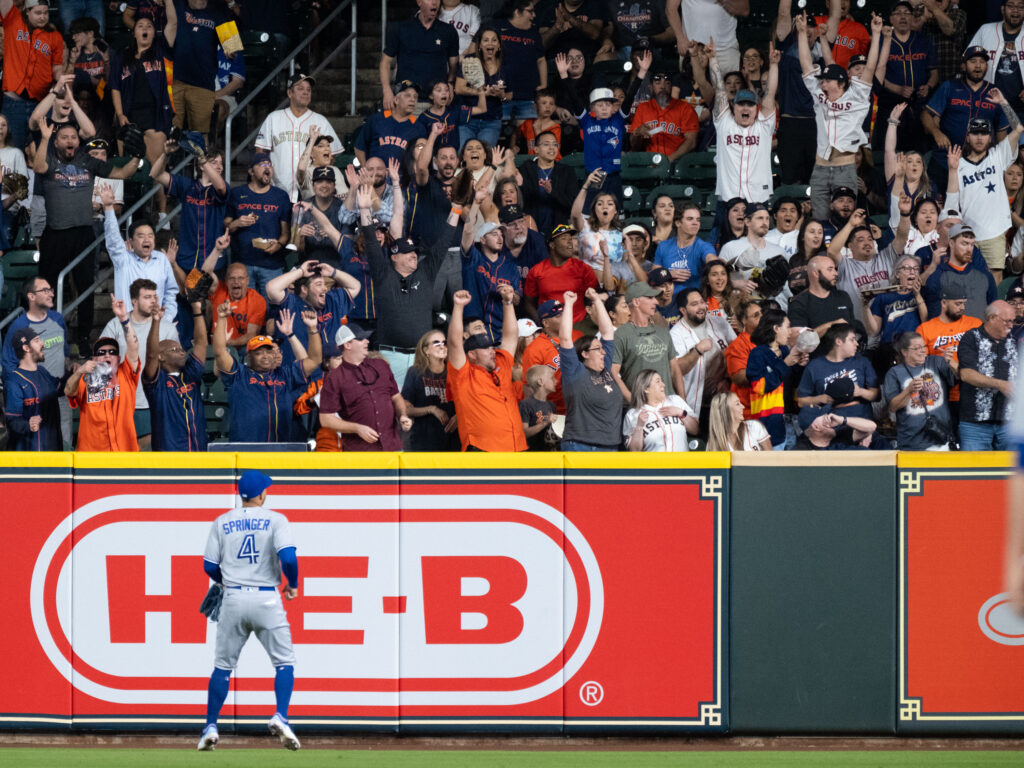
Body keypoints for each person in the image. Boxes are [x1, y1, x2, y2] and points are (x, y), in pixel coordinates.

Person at [199, 470, 300, 752]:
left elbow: (209, 566)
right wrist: (292, 584)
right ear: (260, 494)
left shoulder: (222, 521)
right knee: (284, 663)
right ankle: (281, 715)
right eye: (266, 488)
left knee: (222, 667)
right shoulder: (276, 519)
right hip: (267, 597)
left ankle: (210, 726)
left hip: (233, 597)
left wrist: (225, 581)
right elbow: (288, 558)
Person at [34, 119, 140, 349]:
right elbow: (38, 167)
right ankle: (44, 334)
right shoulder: (50, 158)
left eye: (73, 137)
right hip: (55, 234)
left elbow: (123, 173)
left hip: (83, 233)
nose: (70, 140)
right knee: (45, 287)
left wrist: (137, 157)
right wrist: (44, 138)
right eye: (64, 137)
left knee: (85, 288)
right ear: (56, 141)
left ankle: (83, 338)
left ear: (79, 141)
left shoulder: (87, 161)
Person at [361, 185, 458, 388]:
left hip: (422, 357)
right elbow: (371, 242)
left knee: (425, 403)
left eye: (415, 251)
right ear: (394, 257)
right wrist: (364, 210)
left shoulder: (425, 272)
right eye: (408, 252)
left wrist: (456, 209)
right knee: (393, 407)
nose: (414, 255)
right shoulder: (383, 273)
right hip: (389, 355)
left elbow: (444, 242)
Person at [796, 11, 883, 219]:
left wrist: (877, 34)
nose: (823, 84)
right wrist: (801, 33)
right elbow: (807, 65)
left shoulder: (858, 95)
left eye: (828, 81)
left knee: (845, 220)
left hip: (845, 167)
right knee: (819, 219)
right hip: (820, 167)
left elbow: (870, 67)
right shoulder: (820, 96)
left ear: (842, 83)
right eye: (822, 81)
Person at [214, 306, 321, 443]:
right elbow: (219, 352)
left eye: (269, 352)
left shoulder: (285, 375)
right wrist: (222, 318)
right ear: (249, 357)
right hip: (246, 450)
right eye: (258, 353)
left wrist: (312, 328)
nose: (265, 356)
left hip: (279, 450)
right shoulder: (238, 375)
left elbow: (314, 359)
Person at [99, 278, 179, 449]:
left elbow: (175, 370)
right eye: (147, 297)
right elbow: (101, 363)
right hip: (122, 403)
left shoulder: (167, 329)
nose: (153, 301)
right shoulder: (115, 325)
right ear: (134, 301)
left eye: (154, 297)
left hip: (155, 403)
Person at [447, 285, 527, 451]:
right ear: (472, 354)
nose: (492, 351)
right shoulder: (463, 374)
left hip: (517, 447)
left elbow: (511, 336)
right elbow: (454, 342)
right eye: (485, 348)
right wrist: (458, 306)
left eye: (491, 347)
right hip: (483, 449)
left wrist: (508, 302)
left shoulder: (501, 363)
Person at [956, 98, 1024, 282]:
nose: (979, 137)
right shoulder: (957, 164)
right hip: (968, 234)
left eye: (984, 133)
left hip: (994, 234)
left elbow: (1018, 128)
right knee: (968, 280)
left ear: (990, 137)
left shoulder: (998, 155)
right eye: (975, 133)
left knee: (995, 277)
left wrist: (1003, 102)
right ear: (968, 136)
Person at [922, 45, 1008, 193]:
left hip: (980, 165)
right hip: (945, 160)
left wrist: (1001, 163)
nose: (978, 66)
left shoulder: (994, 92)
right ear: (963, 65)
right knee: (937, 206)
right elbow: (925, 114)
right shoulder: (949, 87)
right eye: (973, 61)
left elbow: (1002, 132)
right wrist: (936, 132)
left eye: (982, 62)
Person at [1, 276, 72, 445]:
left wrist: (70, 366)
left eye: (51, 290)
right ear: (31, 296)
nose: (51, 294)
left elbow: (64, 353)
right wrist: (24, 397)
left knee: (63, 444)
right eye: (45, 290)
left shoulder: (58, 319)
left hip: (59, 393)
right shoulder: (18, 327)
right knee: (36, 448)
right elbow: (8, 366)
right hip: (33, 400)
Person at [64, 296, 141, 452]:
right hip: (92, 454)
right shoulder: (84, 378)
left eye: (112, 352)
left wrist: (124, 320)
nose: (107, 355)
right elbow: (68, 391)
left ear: (118, 358)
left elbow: (133, 346)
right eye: (102, 352)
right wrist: (79, 371)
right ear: (94, 358)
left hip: (124, 451)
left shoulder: (125, 372)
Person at [709, 38, 779, 207]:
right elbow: (719, 89)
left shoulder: (763, 125)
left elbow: (770, 95)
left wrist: (774, 65)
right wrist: (713, 60)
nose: (745, 108)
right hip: (728, 199)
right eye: (741, 104)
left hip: (758, 199)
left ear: (756, 108)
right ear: (734, 106)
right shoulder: (724, 123)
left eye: (750, 104)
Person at [318, 324, 411, 451]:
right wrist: (357, 428)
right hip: (360, 452)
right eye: (361, 339)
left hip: (391, 447)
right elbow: (326, 419)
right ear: (347, 345)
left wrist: (402, 415)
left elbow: (396, 396)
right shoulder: (334, 378)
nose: (367, 341)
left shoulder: (381, 365)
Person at [109, 14, 173, 190]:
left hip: (155, 116)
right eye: (140, 26)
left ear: (154, 33)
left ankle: (161, 212)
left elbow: (173, 23)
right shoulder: (122, 57)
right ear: (134, 33)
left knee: (157, 168)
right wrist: (120, 113)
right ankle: (130, 209)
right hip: (129, 116)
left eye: (149, 27)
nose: (145, 29)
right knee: (127, 169)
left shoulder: (162, 52)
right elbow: (115, 87)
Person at [255, 73, 341, 202]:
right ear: (289, 93)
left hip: (311, 193)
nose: (306, 92)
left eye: (308, 90)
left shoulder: (320, 121)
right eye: (300, 88)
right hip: (277, 189)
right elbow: (260, 151)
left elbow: (332, 155)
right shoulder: (274, 118)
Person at [827, 197, 912, 326]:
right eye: (860, 240)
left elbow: (902, 237)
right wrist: (850, 224)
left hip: (889, 330)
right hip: (860, 332)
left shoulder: (885, 257)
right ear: (849, 245)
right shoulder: (845, 265)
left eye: (869, 239)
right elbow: (832, 251)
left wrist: (905, 214)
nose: (867, 243)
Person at [100, 184, 178, 319]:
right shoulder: (123, 260)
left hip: (156, 325)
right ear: (130, 241)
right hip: (129, 325)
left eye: (150, 236)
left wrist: (167, 318)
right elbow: (113, 240)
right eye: (141, 236)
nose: (146, 240)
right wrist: (108, 208)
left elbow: (170, 292)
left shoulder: (161, 259)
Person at [265, 259, 361, 366]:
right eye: (319, 284)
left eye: (324, 284)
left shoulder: (331, 300)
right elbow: (271, 288)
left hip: (330, 371)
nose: (324, 288)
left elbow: (356, 286)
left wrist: (333, 272)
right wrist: (301, 271)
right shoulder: (291, 303)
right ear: (304, 289)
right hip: (300, 372)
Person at [558, 288, 621, 451]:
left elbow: (607, 331)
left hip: (610, 445)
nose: (604, 352)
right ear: (585, 354)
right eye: (598, 349)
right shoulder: (574, 371)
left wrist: (597, 300)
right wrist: (569, 304)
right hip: (581, 445)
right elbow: (565, 338)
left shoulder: (604, 366)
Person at [143, 300, 208, 452]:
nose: (181, 352)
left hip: (199, 452)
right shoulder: (157, 383)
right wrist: (156, 322)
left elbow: (201, 343)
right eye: (174, 349)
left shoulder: (191, 373)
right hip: (170, 456)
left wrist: (197, 309)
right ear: (161, 357)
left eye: (181, 349)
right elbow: (151, 354)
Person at [163, 0, 234, 139]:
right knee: (170, 132)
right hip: (175, 81)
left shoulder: (219, 11)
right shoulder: (178, 5)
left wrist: (230, 46)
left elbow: (233, 47)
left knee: (201, 137)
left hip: (203, 84)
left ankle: (203, 160)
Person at [0, 0, 65, 151]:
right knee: (12, 150)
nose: (42, 17)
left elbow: (56, 68)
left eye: (46, 13)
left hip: (40, 104)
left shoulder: (55, 36)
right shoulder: (13, 21)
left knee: (45, 151)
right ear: (27, 11)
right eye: (38, 13)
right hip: (13, 103)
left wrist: (61, 80)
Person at [225, 153, 291, 298]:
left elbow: (286, 233)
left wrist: (279, 245)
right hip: (242, 265)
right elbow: (226, 227)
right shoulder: (237, 193)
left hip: (272, 265)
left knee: (271, 311)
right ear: (251, 171)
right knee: (243, 310)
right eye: (262, 165)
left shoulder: (281, 196)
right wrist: (238, 222)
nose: (267, 168)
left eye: (269, 165)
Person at [670, 287, 737, 426]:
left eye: (702, 302)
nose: (701, 307)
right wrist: (697, 351)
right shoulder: (676, 334)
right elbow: (677, 369)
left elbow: (737, 349)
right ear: (683, 310)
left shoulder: (719, 322)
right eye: (694, 304)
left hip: (727, 392)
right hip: (701, 401)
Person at [958, 300, 1018, 450]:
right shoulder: (971, 338)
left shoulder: (1015, 341)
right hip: (975, 423)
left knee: (1014, 471)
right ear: (991, 318)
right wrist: (1000, 384)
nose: (1011, 325)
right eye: (1007, 321)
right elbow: (966, 374)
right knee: (974, 471)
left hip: (1010, 422)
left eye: (1013, 321)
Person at [746, 308, 809, 448]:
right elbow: (759, 387)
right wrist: (786, 363)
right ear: (776, 328)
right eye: (787, 327)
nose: (791, 331)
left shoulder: (786, 351)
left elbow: (791, 381)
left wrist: (800, 365)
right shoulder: (758, 354)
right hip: (768, 427)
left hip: (791, 421)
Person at [883, 330, 956, 450]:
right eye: (917, 348)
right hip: (912, 442)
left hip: (941, 439)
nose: (923, 351)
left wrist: (950, 361)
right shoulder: (894, 373)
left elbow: (958, 378)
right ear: (904, 352)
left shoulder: (935, 361)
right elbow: (892, 407)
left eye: (924, 346)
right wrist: (908, 390)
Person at [379, 0, 459, 109]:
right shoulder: (400, 29)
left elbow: (454, 63)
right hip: (407, 101)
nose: (435, 3)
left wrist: (450, 83)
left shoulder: (449, 31)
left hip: (436, 103)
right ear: (419, 2)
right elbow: (385, 62)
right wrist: (387, 90)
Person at [613, 280, 683, 401]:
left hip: (668, 404)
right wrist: (633, 401)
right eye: (650, 298)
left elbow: (675, 369)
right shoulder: (621, 334)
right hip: (640, 410)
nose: (656, 301)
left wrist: (682, 401)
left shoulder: (663, 332)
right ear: (636, 302)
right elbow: (612, 373)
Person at [797, 322, 879, 420]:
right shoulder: (814, 366)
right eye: (852, 339)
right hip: (830, 422)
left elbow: (876, 395)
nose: (856, 343)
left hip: (860, 420)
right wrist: (820, 399)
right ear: (838, 341)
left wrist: (860, 392)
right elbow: (801, 401)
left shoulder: (862, 362)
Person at [523, 223, 599, 324]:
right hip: (550, 328)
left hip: (579, 326)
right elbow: (528, 303)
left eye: (570, 238)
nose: (570, 242)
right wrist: (541, 324)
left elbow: (595, 297)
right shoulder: (536, 271)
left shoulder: (583, 268)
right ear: (552, 245)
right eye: (564, 238)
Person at [922, 222, 998, 321]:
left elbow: (993, 312)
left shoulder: (985, 276)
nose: (969, 249)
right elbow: (934, 319)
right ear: (951, 243)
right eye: (964, 243)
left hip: (979, 333)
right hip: (949, 334)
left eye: (972, 244)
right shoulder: (938, 276)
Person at [3, 327, 62, 451]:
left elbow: (60, 388)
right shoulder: (14, 380)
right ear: (26, 348)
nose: (42, 343)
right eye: (36, 340)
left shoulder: (42, 371)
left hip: (52, 447)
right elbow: (12, 420)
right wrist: (27, 424)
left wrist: (77, 372)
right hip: (30, 454)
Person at [629, 61, 699, 162]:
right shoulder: (643, 108)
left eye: (667, 83)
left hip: (676, 163)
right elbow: (634, 145)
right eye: (658, 83)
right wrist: (638, 133)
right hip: (648, 163)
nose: (662, 86)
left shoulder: (685, 108)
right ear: (651, 87)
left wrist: (670, 160)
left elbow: (691, 142)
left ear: (671, 86)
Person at [402, 329, 459, 451]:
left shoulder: (455, 371)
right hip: (424, 442)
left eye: (444, 343)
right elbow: (406, 410)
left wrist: (460, 416)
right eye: (436, 343)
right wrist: (431, 409)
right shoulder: (415, 372)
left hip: (453, 441)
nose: (442, 346)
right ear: (426, 350)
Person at [967, 0, 1024, 121]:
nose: (1016, 10)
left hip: (1020, 108)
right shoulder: (986, 30)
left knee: (1019, 138)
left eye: (1020, 6)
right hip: (988, 104)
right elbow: (967, 61)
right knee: (987, 138)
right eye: (1011, 6)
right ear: (1003, 9)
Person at [519, 131, 577, 238]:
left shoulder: (566, 172)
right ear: (536, 149)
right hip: (531, 227)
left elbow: (572, 203)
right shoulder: (526, 170)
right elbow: (521, 199)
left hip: (558, 229)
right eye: (546, 144)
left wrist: (552, 192)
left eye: (555, 144)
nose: (552, 148)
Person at [623, 368, 698, 451]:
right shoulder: (633, 414)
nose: (663, 385)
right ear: (646, 389)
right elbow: (634, 450)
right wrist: (639, 426)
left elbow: (695, 430)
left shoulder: (675, 401)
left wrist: (681, 413)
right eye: (658, 381)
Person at [653, 201, 717, 296]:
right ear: (678, 223)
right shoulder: (663, 246)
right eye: (690, 219)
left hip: (694, 301)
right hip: (667, 299)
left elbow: (711, 259)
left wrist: (715, 262)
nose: (695, 223)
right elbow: (654, 275)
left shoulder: (704, 246)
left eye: (698, 220)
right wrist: (668, 274)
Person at [787, 255, 860, 338]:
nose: (836, 273)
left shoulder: (843, 297)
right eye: (830, 269)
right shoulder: (799, 303)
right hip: (817, 350)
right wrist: (830, 326)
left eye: (835, 269)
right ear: (816, 273)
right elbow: (795, 339)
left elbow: (852, 329)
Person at [666, 0, 748, 72]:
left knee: (731, 86)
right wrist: (680, 38)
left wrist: (724, 1)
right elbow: (670, 9)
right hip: (693, 49)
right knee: (692, 87)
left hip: (726, 50)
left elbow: (744, 10)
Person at [208, 262, 266, 352]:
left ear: (247, 280)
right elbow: (205, 272)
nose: (236, 282)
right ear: (226, 281)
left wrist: (230, 342)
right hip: (217, 348)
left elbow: (251, 335)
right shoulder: (219, 290)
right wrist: (217, 250)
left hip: (242, 349)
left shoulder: (257, 300)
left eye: (241, 278)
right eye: (232, 278)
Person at [724, 297, 761, 418]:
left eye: (762, 313)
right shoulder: (737, 345)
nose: (762, 318)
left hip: (768, 409)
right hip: (747, 413)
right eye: (756, 315)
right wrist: (768, 367)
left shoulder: (770, 340)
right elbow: (739, 377)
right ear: (744, 320)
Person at [705, 391, 773, 451]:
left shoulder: (754, 427)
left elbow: (772, 460)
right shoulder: (713, 443)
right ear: (726, 411)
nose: (743, 407)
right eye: (737, 404)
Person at [793, 403, 879, 449]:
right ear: (816, 427)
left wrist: (842, 420)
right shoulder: (801, 449)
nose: (831, 419)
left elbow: (871, 427)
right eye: (826, 418)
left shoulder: (839, 435)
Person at [520, 365, 558, 450]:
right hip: (532, 455)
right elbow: (523, 433)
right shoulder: (525, 404)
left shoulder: (552, 406)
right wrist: (545, 423)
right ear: (540, 382)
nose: (556, 381)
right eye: (552, 378)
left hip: (548, 453)